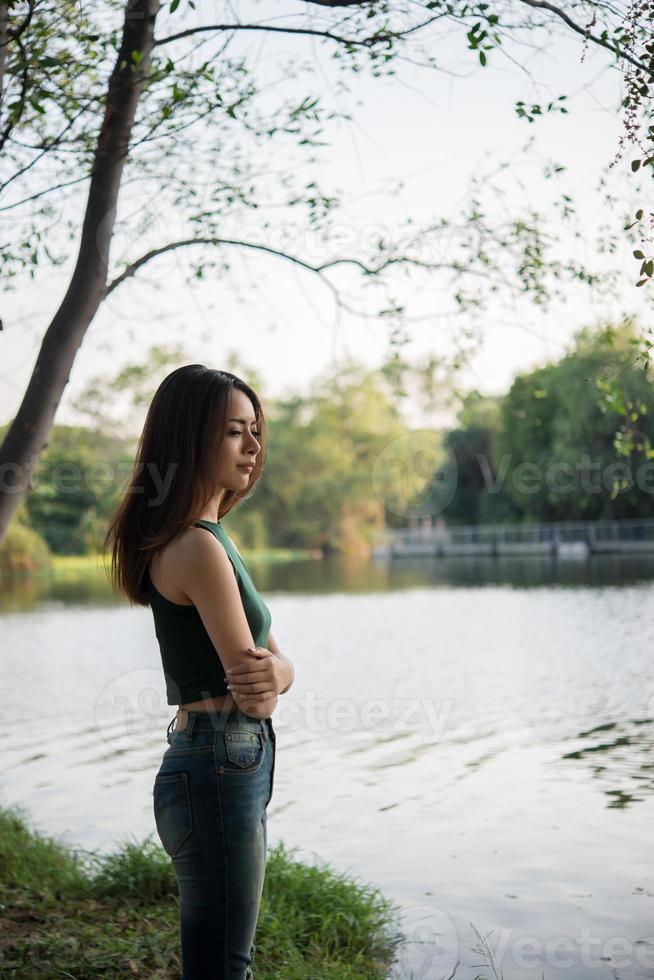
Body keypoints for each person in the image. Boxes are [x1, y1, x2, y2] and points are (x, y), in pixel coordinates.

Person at [104, 365, 295, 979]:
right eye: (235, 432)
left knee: (220, 958)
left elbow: (275, 665)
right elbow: (257, 684)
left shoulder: (210, 539)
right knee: (222, 965)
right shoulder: (197, 547)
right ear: (191, 441)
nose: (253, 446)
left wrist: (280, 673)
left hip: (215, 758)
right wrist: (275, 677)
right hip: (221, 762)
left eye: (254, 431)